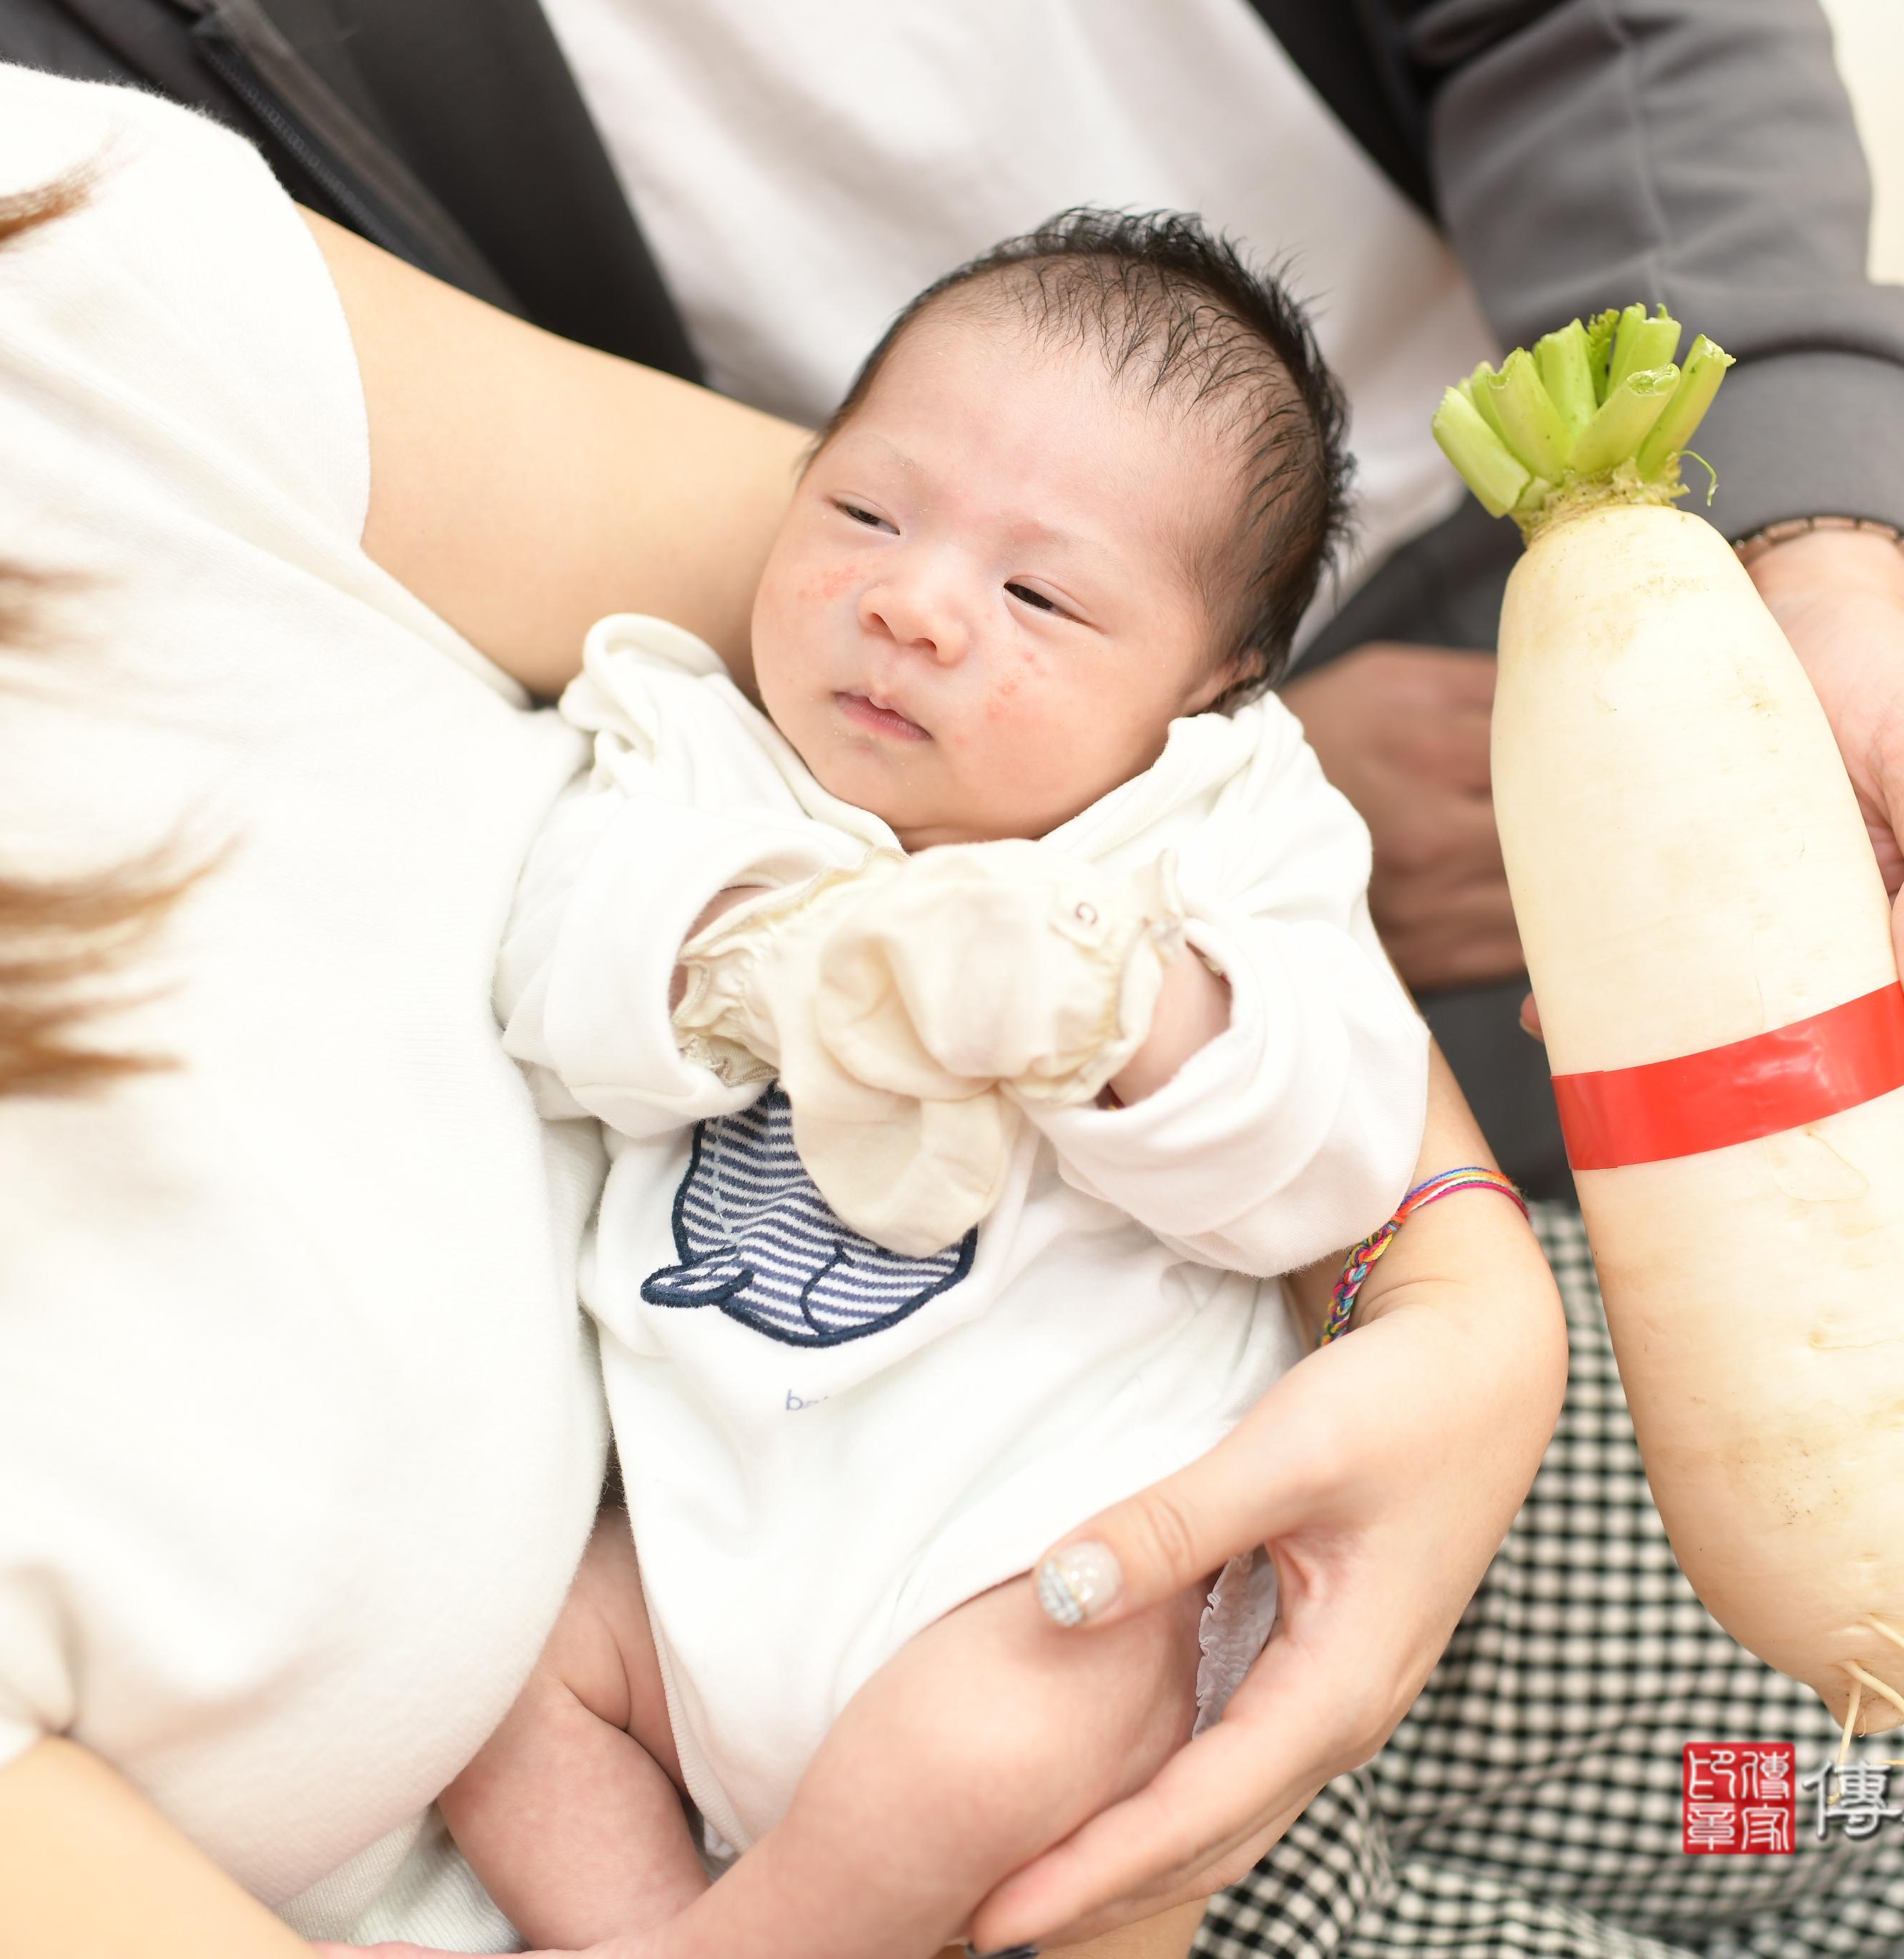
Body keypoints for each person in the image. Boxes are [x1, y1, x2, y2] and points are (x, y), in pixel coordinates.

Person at [0, 11, 1904, 1959]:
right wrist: (793, 949)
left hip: (1212, 1474)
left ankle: (1835, 1814)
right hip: (774, 1743)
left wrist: (1438, 1266)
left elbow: (1124, 857)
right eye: (870, 533)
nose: (898, 612)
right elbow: (648, 885)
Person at [0, 0, 1904, 1337]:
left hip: (1566, 447)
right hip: (978, 718)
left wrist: (1791, 555)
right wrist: (1169, 769)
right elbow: (275, 487)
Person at [461, 212, 1434, 1958]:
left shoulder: (1230, 831)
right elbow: (555, 974)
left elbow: (1335, 1160)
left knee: (993, 1738)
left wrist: (1116, 1007)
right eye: (864, 513)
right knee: (482, 1680)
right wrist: (757, 953)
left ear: (1210, 685)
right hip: (682, 1578)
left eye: (1039, 594)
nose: (909, 601)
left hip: (1023, 1587)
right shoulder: (691, 739)